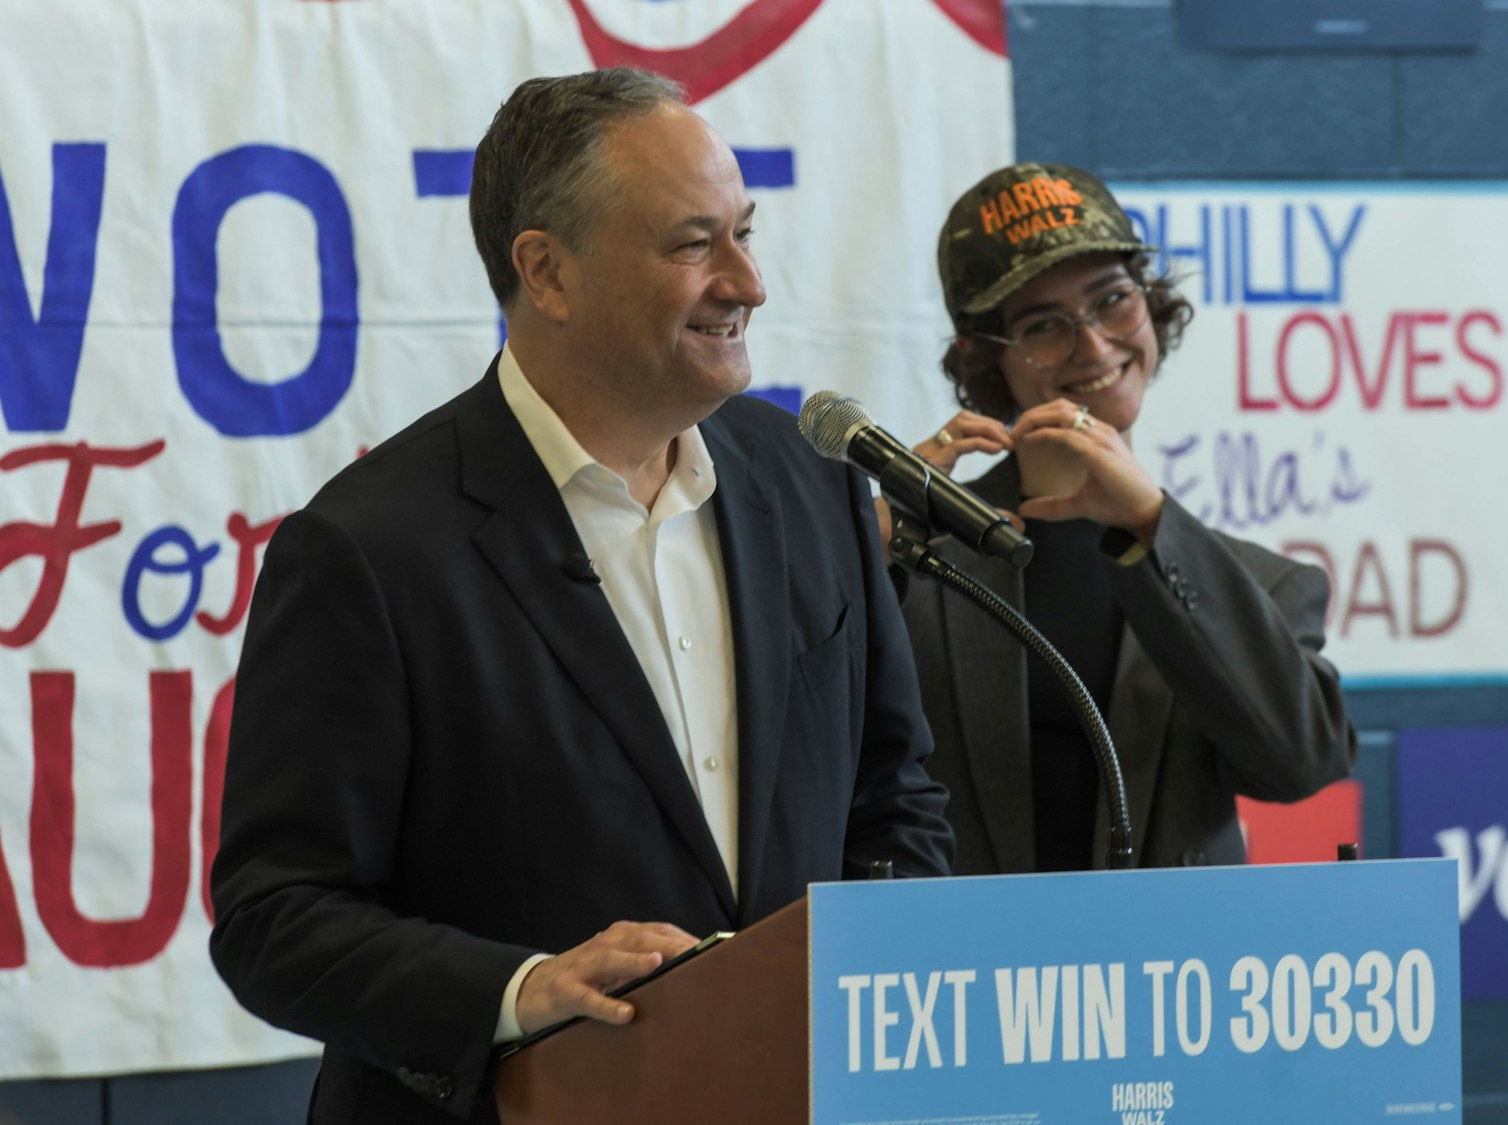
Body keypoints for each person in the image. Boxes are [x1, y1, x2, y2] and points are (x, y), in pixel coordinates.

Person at [209, 68, 954, 1124]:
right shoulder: (368, 549)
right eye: (693, 245)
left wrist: (869, 995)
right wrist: (521, 991)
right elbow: (275, 918)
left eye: (744, 233)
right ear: (547, 272)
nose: (747, 282)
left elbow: (894, 799)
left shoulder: (813, 484)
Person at [890, 162, 1356, 875]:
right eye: (1043, 326)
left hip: (1174, 950)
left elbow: (1301, 766)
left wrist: (1154, 526)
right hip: (958, 945)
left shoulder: (1262, 583)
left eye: (1112, 300)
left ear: (1150, 304)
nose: (1095, 346)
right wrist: (869, 551)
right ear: (987, 358)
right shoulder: (917, 557)